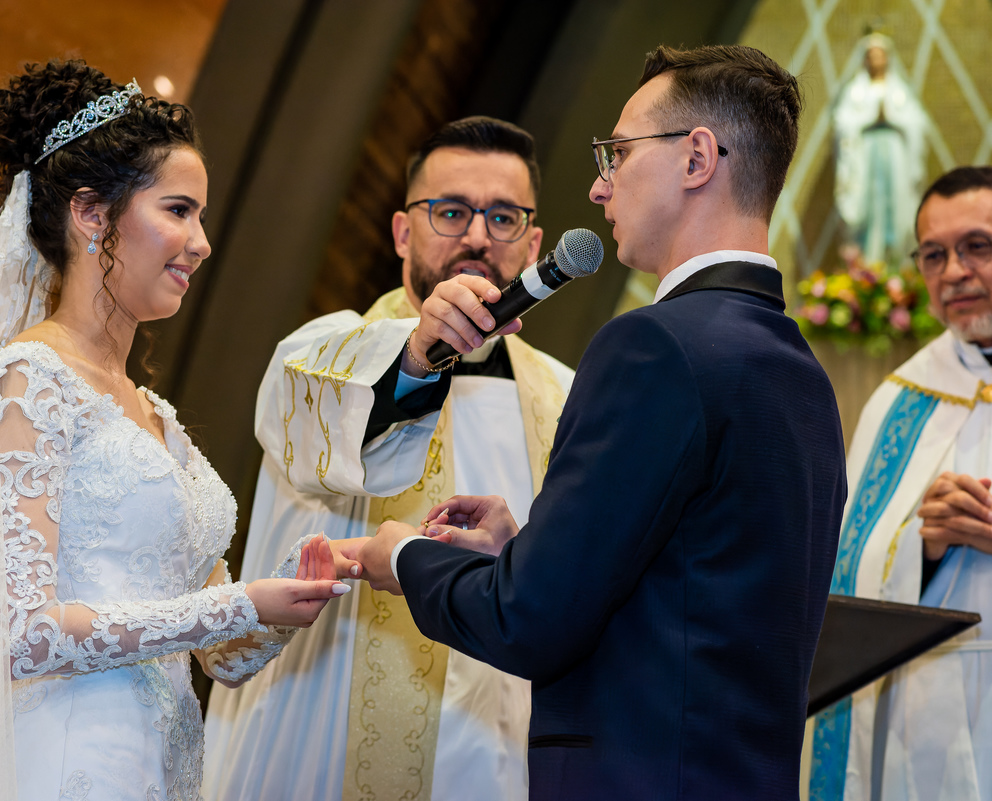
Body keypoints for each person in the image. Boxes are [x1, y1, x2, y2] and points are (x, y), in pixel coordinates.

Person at [0, 60, 351, 801]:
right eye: (179, 210)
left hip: (159, 768)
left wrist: (297, 593)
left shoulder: (156, 415)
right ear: (91, 213)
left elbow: (222, 655)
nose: (203, 243)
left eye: (202, 217)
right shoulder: (27, 380)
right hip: (60, 762)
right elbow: (24, 635)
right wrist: (240, 604)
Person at [359, 44, 847, 799]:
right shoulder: (801, 370)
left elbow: (527, 621)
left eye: (617, 153)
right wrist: (525, 548)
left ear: (696, 158)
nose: (597, 186)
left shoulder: (653, 343)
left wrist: (403, 558)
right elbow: (701, 589)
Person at [202, 117, 575, 801]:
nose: (477, 236)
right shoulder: (323, 353)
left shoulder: (567, 394)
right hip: (320, 738)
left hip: (495, 748)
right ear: (404, 231)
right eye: (452, 211)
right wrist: (414, 356)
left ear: (534, 243)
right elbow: (322, 433)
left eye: (504, 217)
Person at [810, 166, 992, 801]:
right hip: (926, 711)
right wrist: (927, 542)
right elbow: (846, 575)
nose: (954, 272)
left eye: (978, 246)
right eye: (934, 255)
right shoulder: (903, 400)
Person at [833, 33, 929, 265]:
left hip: (895, 155)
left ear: (887, 58)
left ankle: (897, 266)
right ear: (865, 59)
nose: (876, 60)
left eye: (880, 55)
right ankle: (868, 266)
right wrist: (870, 118)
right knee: (869, 209)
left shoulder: (899, 91)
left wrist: (892, 117)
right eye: (871, 55)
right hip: (866, 155)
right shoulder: (856, 91)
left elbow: (918, 122)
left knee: (897, 208)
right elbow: (842, 122)